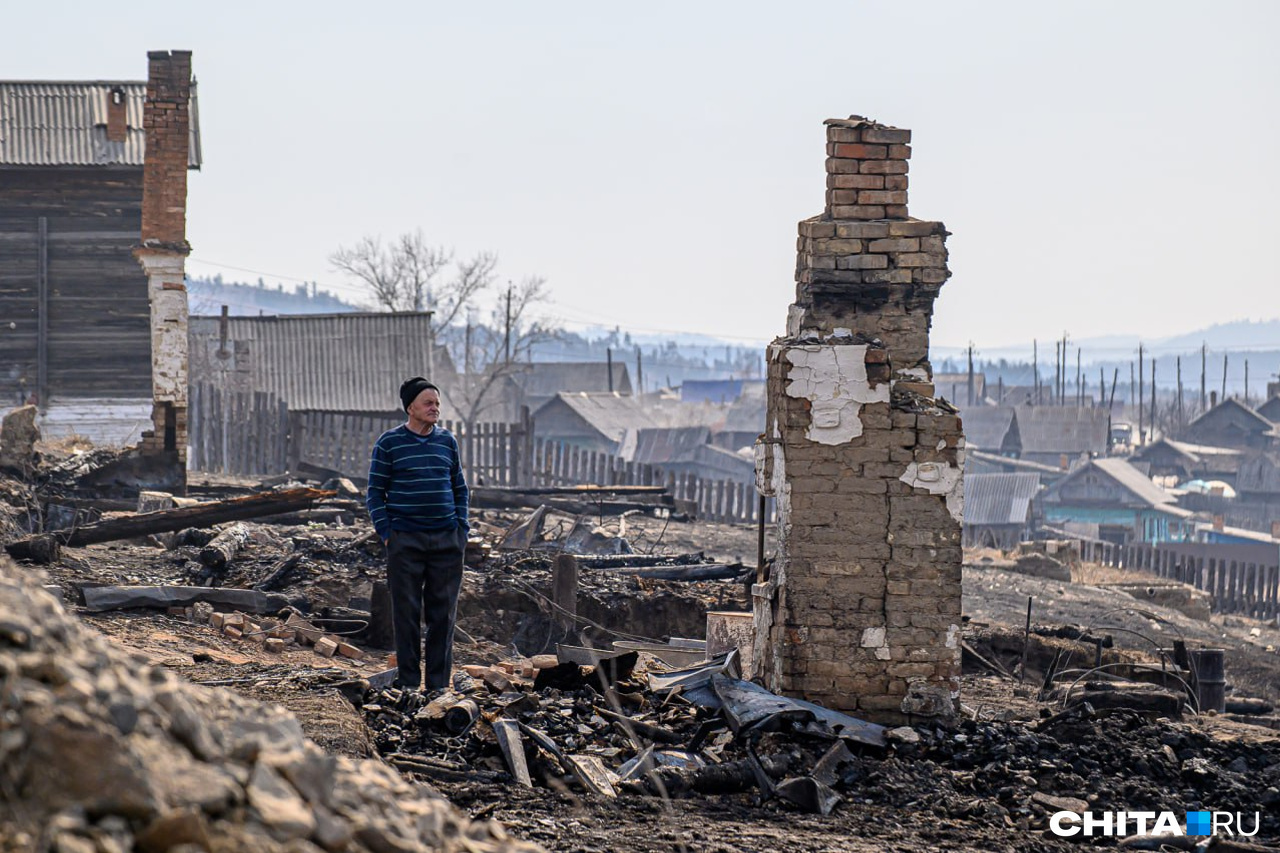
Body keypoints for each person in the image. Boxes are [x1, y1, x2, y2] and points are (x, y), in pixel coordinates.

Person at [366, 377, 469, 692]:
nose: (435, 408)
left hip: (446, 541)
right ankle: (409, 683)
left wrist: (461, 529)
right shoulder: (389, 443)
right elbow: (374, 494)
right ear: (410, 407)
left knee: (442, 617)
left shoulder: (447, 442)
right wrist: (388, 535)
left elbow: (460, 489)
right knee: (407, 615)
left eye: (437, 403)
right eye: (428, 403)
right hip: (405, 542)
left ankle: (437, 686)